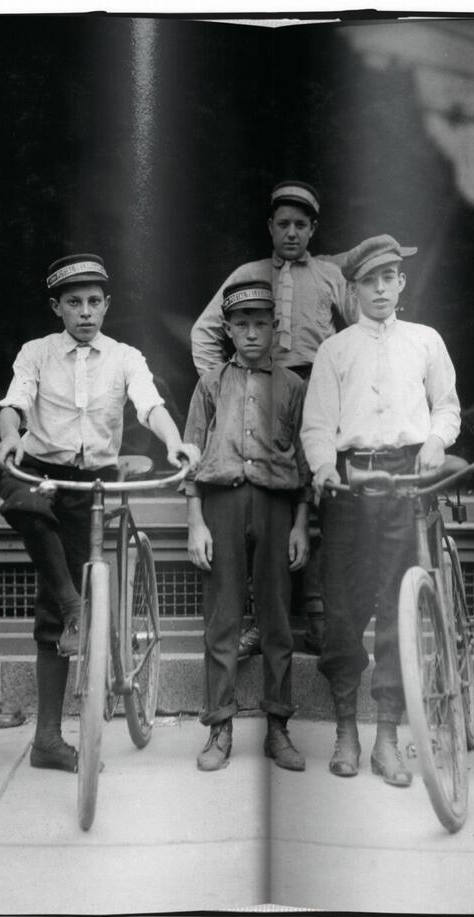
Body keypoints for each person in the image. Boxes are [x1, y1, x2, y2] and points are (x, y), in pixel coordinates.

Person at [0, 254, 201, 773]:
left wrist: (175, 443)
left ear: (106, 305)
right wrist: (11, 438)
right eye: (73, 303)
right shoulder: (36, 353)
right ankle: (72, 611)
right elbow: (12, 405)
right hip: (41, 469)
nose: (84, 312)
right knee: (22, 503)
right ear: (57, 307)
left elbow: (148, 405)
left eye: (93, 302)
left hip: (93, 482)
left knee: (55, 602)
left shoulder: (125, 356)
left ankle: (50, 724)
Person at [301, 234, 461, 787]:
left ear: (401, 283)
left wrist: (437, 441)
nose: (380, 289)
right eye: (369, 280)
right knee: (344, 613)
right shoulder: (335, 350)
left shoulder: (425, 341)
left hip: (409, 484)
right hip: (351, 489)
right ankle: (347, 728)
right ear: (354, 288)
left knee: (398, 610)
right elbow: (318, 426)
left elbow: (447, 407)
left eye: (389, 278)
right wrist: (324, 467)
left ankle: (387, 737)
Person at [189, 180, 350, 658]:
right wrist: (225, 386)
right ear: (270, 227)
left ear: (313, 229)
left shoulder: (327, 276)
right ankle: (257, 622)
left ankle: (319, 618)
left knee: (316, 500)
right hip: (257, 393)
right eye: (283, 224)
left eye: (302, 225)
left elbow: (358, 332)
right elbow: (205, 331)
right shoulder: (249, 273)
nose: (292, 233)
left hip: (315, 394)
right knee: (258, 504)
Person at [183, 280, 311, 773]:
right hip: (223, 504)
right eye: (242, 324)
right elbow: (191, 454)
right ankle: (220, 726)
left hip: (277, 507)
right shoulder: (211, 383)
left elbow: (303, 460)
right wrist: (196, 522)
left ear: (275, 328)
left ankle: (277, 728)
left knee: (277, 620)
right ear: (229, 330)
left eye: (261, 323)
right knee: (223, 618)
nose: (252, 333)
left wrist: (301, 523)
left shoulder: (295, 386)